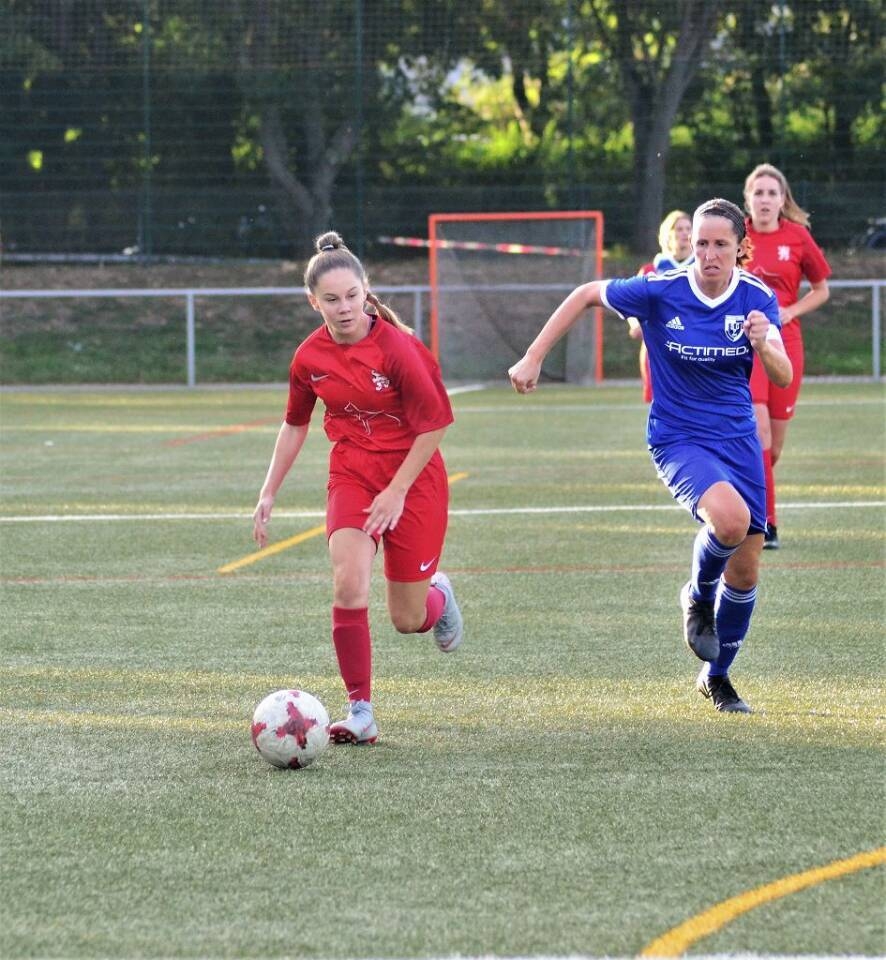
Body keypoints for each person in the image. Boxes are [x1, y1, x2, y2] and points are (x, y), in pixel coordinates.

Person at [508, 199, 792, 714]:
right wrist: (533, 355)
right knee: (730, 521)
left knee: (746, 573)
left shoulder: (756, 298)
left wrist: (765, 346)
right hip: (678, 438)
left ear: (739, 248)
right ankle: (698, 595)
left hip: (738, 441)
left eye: (720, 244)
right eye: (701, 243)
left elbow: (782, 373)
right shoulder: (661, 290)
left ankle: (716, 677)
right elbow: (586, 293)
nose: (708, 254)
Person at [252, 231, 463, 745]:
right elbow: (295, 424)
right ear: (313, 301)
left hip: (413, 479)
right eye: (331, 299)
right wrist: (268, 491)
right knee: (348, 582)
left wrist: (396, 491)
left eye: (351, 296)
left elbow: (435, 424)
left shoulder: (398, 349)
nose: (344, 307)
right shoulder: (309, 357)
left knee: (407, 619)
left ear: (366, 291)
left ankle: (438, 593)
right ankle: (361, 711)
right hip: (351, 474)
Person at [743, 163, 831, 549]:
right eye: (758, 192)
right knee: (758, 431)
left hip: (786, 344)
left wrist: (791, 311)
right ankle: (766, 522)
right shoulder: (734, 234)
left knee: (772, 448)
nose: (764, 200)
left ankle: (746, 486)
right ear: (748, 198)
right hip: (745, 344)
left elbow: (822, 289)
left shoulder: (797, 237)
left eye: (771, 193)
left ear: (782, 200)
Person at [627, 210, 695, 403]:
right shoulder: (652, 270)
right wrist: (635, 324)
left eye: (688, 229)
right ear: (667, 235)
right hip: (657, 349)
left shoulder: (702, 269)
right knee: (661, 407)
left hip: (695, 347)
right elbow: (631, 302)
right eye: (679, 229)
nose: (685, 233)